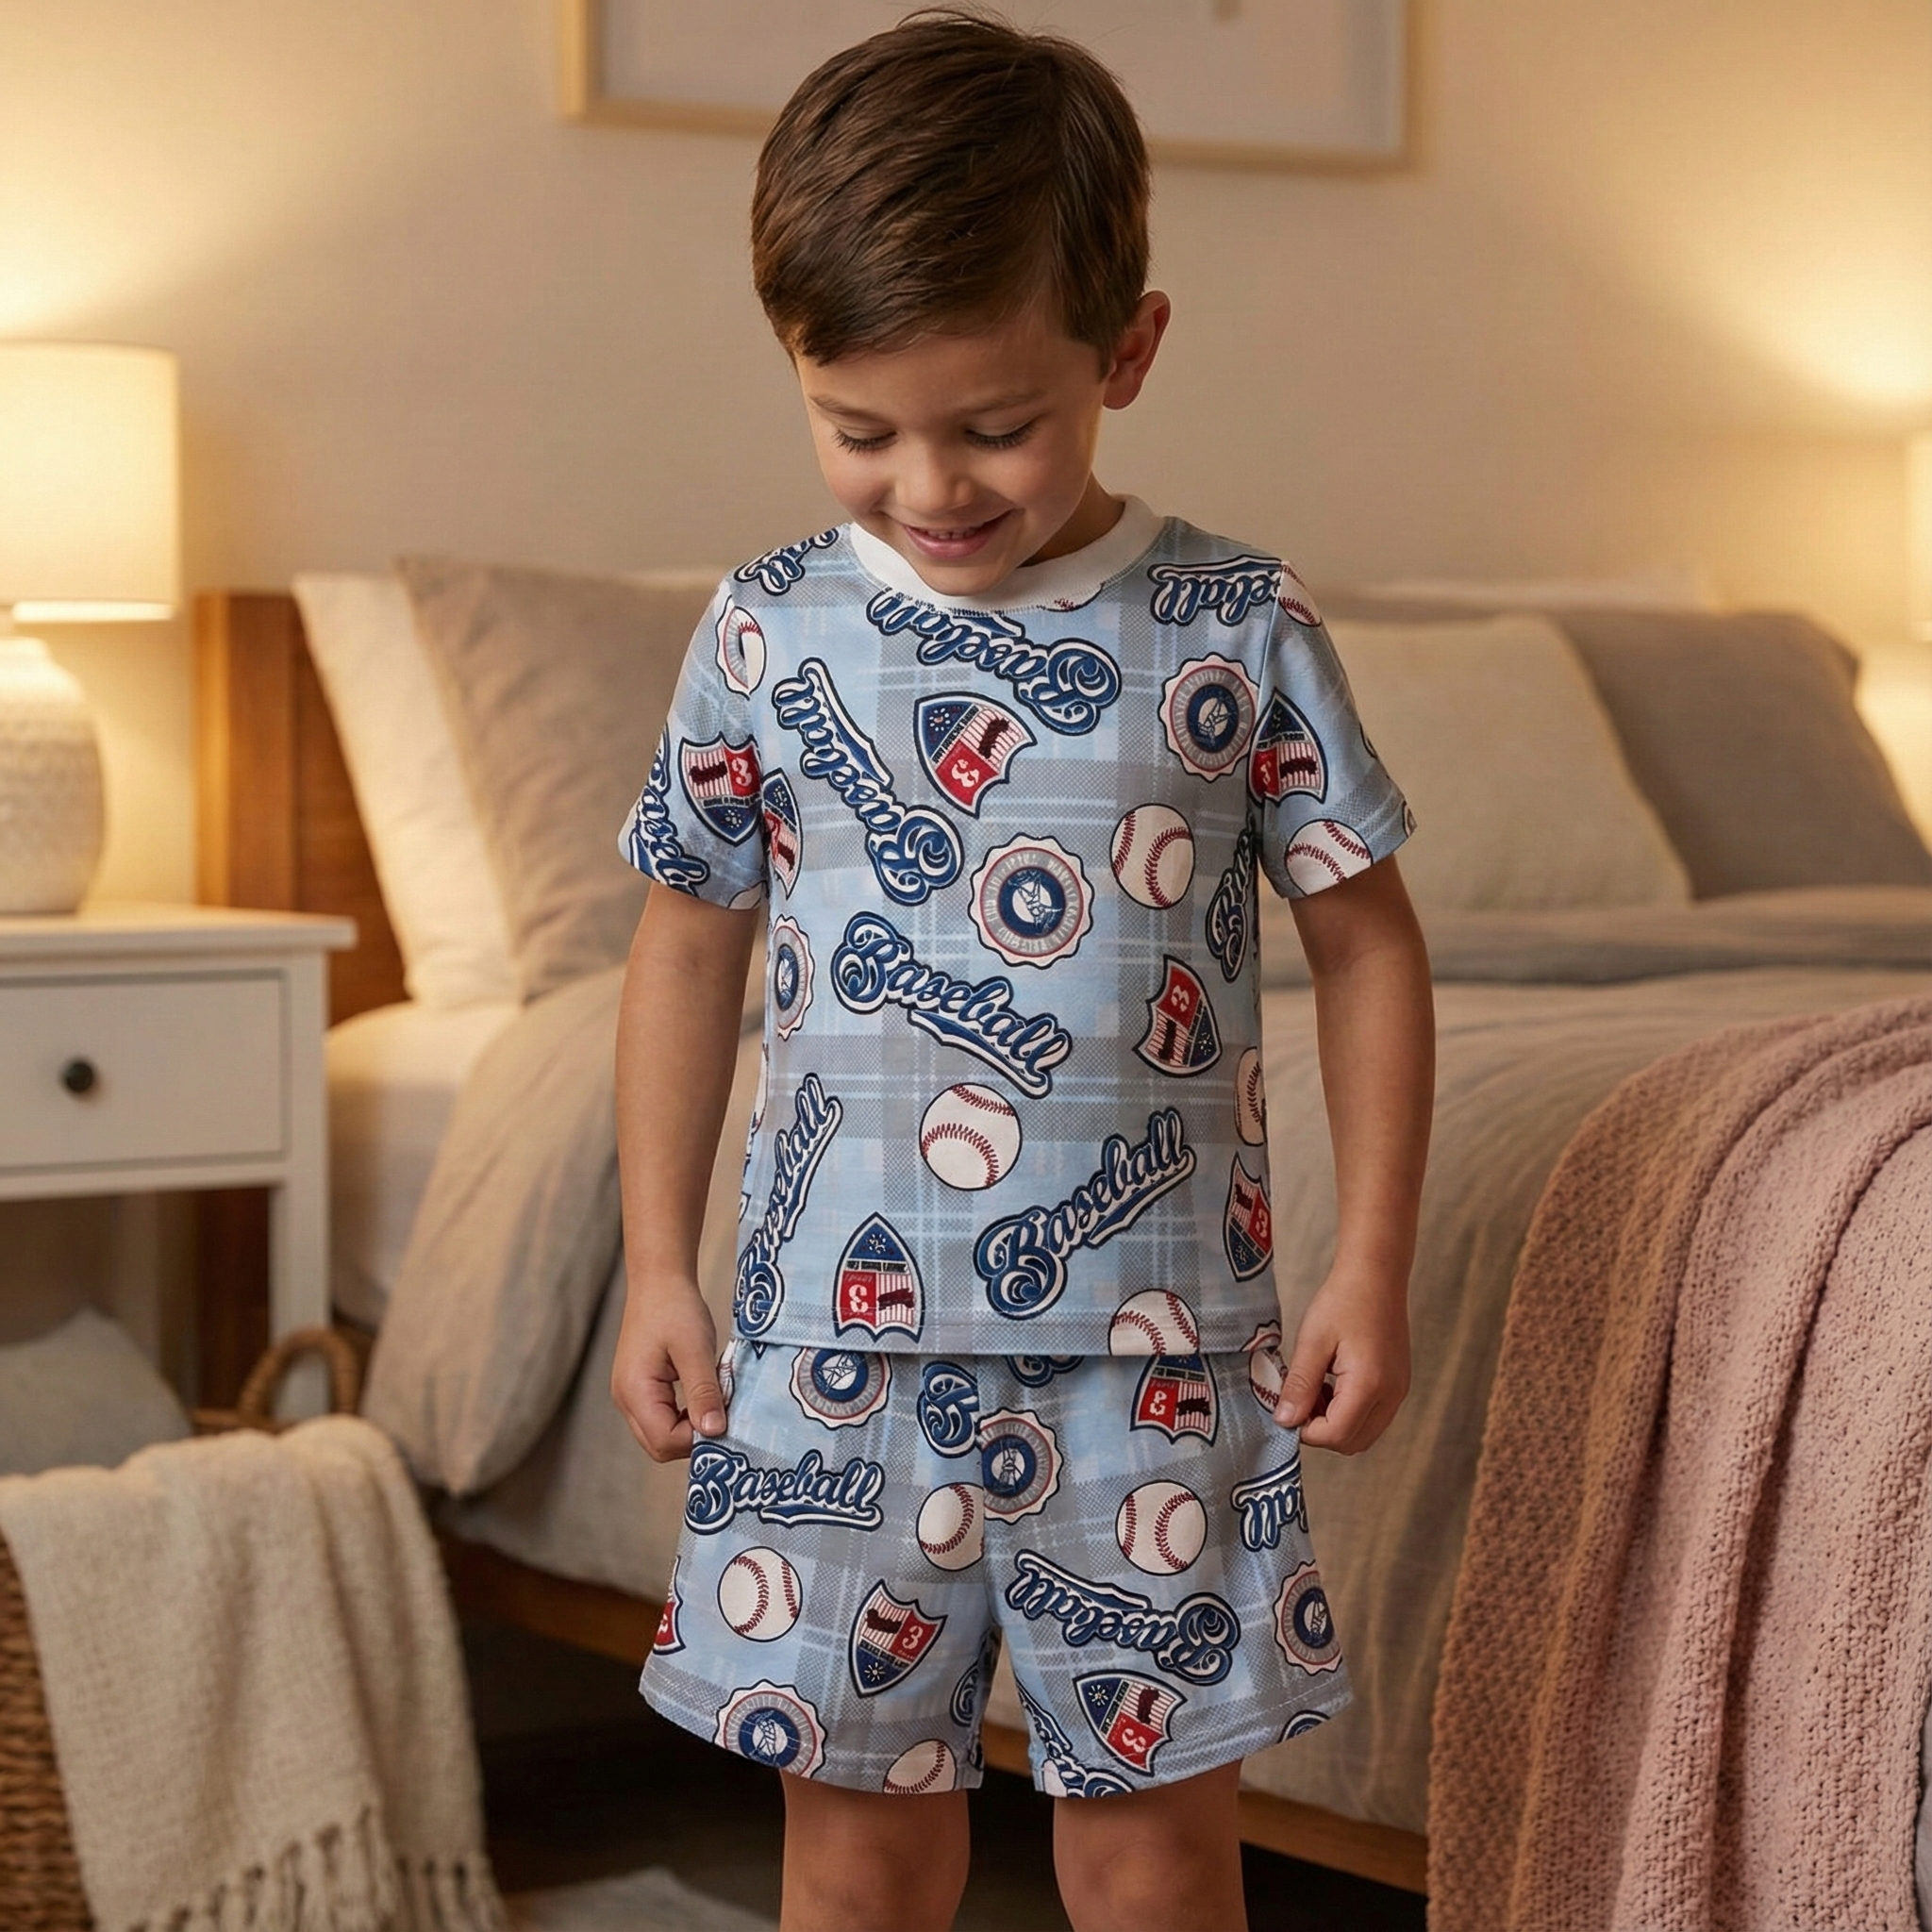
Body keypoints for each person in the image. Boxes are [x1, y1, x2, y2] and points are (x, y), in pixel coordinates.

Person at [609, 13, 1434, 1930]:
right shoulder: (761, 629)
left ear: (1126, 350)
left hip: (1153, 1361)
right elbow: (683, 943)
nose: (929, 485)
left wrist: (1372, 1255)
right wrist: (662, 1256)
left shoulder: (1232, 620)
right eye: (857, 427)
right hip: (825, 1361)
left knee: (1152, 1853)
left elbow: (1364, 939)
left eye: (994, 424)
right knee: (858, 1848)